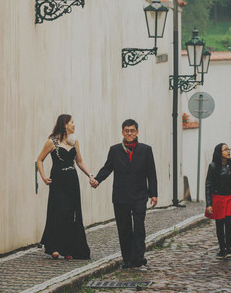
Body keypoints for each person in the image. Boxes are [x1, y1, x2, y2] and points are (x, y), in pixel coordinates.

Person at [91, 119, 157, 268]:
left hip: (140, 195)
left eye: (132, 130)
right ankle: (127, 259)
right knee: (124, 228)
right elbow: (107, 168)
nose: (129, 133)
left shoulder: (146, 150)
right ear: (122, 132)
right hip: (121, 196)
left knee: (139, 226)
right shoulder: (115, 150)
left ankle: (138, 257)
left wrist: (153, 194)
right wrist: (97, 180)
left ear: (137, 132)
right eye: (126, 131)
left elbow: (151, 173)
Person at [37, 114, 93, 260]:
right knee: (59, 211)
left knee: (71, 214)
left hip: (72, 181)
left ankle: (69, 248)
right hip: (58, 181)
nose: (74, 125)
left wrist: (90, 175)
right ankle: (54, 247)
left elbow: (79, 161)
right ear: (65, 124)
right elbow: (39, 160)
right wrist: (43, 177)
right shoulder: (52, 142)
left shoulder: (74, 142)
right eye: (72, 122)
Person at [205, 143, 231, 259]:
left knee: (229, 223)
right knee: (219, 224)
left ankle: (229, 249)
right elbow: (208, 185)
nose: (228, 151)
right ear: (219, 153)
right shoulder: (213, 166)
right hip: (218, 198)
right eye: (225, 150)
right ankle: (222, 248)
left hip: (229, 197)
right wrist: (208, 204)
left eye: (228, 149)